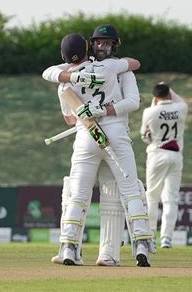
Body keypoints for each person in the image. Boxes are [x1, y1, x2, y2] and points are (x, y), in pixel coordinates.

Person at [42, 32, 154, 267]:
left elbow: (70, 120)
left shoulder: (64, 82)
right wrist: (104, 109)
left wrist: (84, 99)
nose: (101, 46)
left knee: (78, 194)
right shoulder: (111, 67)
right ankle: (142, 243)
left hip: (85, 135)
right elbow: (135, 64)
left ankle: (69, 248)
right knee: (130, 189)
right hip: (116, 134)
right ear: (88, 48)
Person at [139, 82, 188, 248]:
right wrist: (167, 88)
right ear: (169, 93)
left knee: (152, 197)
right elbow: (177, 99)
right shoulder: (181, 108)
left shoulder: (149, 112)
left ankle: (150, 235)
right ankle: (166, 239)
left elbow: (145, 137)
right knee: (171, 199)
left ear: (154, 97)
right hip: (175, 155)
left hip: (156, 154)